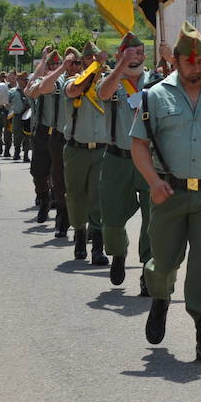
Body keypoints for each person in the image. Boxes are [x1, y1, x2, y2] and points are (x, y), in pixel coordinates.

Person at [131, 21, 201, 364]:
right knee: (164, 261)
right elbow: (138, 144)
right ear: (177, 60)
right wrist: (153, 181)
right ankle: (160, 298)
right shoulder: (155, 95)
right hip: (169, 193)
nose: (195, 67)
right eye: (188, 61)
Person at [97, 32, 152, 294]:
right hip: (117, 158)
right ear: (120, 55)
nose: (135, 58)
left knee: (153, 217)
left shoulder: (156, 82)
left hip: (150, 161)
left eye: (139, 53)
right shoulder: (113, 82)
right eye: (130, 53)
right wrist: (119, 67)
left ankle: (149, 269)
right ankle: (118, 254)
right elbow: (102, 94)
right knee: (112, 217)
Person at [62, 42, 110, 265]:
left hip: (101, 150)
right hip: (76, 150)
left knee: (99, 198)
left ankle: (97, 247)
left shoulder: (106, 84)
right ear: (82, 63)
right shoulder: (74, 81)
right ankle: (80, 233)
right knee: (75, 196)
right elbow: (74, 90)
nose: (94, 65)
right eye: (89, 61)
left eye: (96, 61)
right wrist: (91, 72)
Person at [28, 47, 82, 237]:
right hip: (49, 133)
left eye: (76, 62)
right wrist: (51, 67)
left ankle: (71, 219)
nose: (72, 66)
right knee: (41, 172)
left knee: (70, 181)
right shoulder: (55, 80)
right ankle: (46, 200)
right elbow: (33, 91)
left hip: (75, 136)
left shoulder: (85, 81)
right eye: (69, 63)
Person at [8, 72, 31, 162]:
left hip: (28, 116)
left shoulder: (30, 90)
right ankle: (17, 152)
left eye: (26, 79)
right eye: (23, 79)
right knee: (17, 134)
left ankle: (26, 154)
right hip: (17, 116)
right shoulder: (13, 91)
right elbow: (6, 101)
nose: (25, 81)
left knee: (27, 135)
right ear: (18, 80)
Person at [0, 72, 10, 155]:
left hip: (6, 110)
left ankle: (7, 149)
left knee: (7, 131)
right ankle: (0, 143)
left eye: (4, 77)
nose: (3, 78)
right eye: (1, 77)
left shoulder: (8, 87)